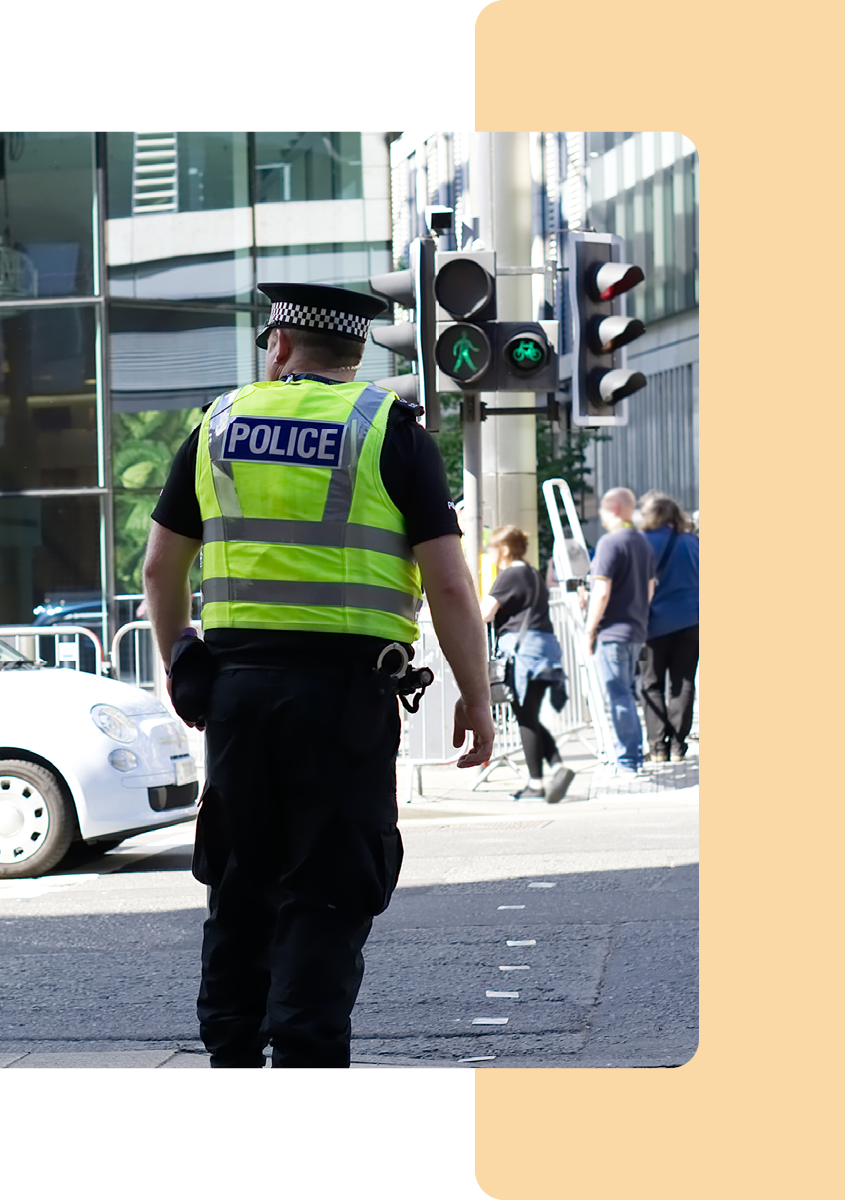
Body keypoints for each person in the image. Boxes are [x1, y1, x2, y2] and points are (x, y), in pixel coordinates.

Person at [142, 281, 496, 1069]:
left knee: (239, 881)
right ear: (359, 352)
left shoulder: (216, 425)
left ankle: (231, 1054)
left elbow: (162, 567)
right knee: (330, 886)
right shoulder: (387, 431)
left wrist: (180, 660)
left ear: (278, 345)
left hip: (238, 696)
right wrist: (477, 697)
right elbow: (447, 583)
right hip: (345, 701)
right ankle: (307, 1063)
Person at [482, 526, 575, 804]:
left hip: (523, 656)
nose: (489, 552)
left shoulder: (509, 575)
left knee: (525, 718)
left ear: (505, 549)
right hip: (545, 651)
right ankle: (557, 767)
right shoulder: (533, 574)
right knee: (530, 715)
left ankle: (536, 783)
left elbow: (484, 613)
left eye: (492, 547)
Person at [584, 487, 655, 774]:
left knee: (619, 695)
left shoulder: (610, 543)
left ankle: (629, 760)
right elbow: (650, 588)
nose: (600, 517)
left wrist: (590, 631)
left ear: (613, 508)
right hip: (636, 629)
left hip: (612, 631)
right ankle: (633, 754)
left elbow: (601, 591)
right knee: (627, 692)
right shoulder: (643, 542)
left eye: (602, 510)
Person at [637, 490, 699, 762]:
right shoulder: (692, 542)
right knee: (683, 682)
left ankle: (657, 746)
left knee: (651, 683)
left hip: (655, 623)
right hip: (694, 620)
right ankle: (677, 744)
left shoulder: (643, 542)